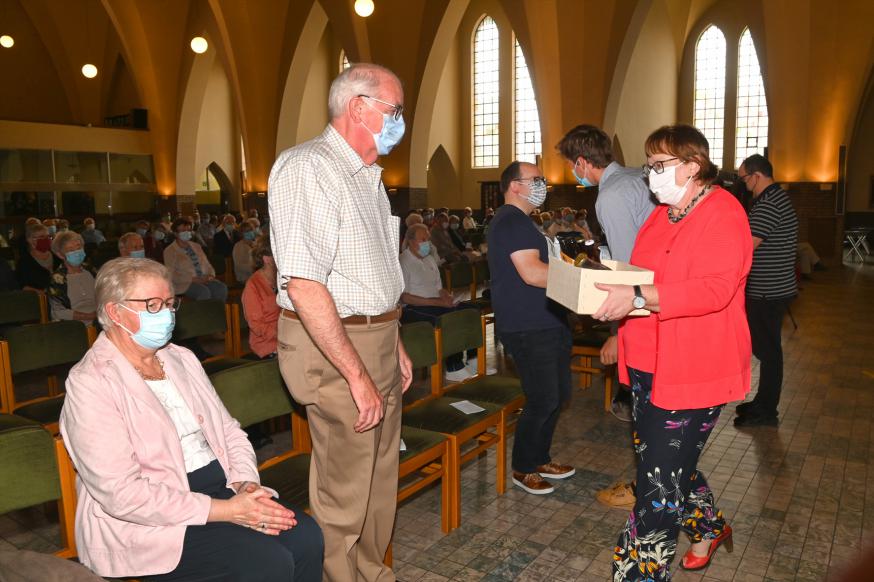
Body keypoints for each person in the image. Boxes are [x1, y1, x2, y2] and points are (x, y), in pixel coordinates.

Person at [59, 258, 323, 581]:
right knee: (268, 562)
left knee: (307, 537)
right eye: (153, 305)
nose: (167, 315)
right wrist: (229, 511)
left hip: (221, 487)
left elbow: (228, 430)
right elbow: (122, 494)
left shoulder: (179, 358)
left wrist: (245, 483)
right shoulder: (91, 382)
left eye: (170, 304)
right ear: (115, 313)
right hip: (150, 521)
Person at [268, 62, 413, 582]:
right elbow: (305, 284)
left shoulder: (368, 177)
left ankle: (371, 571)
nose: (400, 121)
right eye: (394, 110)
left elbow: (367, 272)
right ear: (359, 107)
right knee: (345, 485)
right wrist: (356, 374)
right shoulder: (309, 168)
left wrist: (391, 338)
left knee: (378, 476)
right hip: (332, 345)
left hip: (374, 334)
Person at [594, 125, 751, 579]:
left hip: (694, 365)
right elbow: (638, 275)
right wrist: (604, 294)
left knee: (657, 485)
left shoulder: (724, 211)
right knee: (664, 461)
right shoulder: (663, 214)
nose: (651, 175)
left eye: (659, 165)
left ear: (692, 166)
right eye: (649, 165)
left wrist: (639, 296)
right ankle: (709, 527)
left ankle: (638, 576)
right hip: (647, 360)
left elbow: (714, 289)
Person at [557, 124, 657, 509]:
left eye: (571, 164)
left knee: (648, 410)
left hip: (642, 310)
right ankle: (652, 480)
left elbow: (631, 272)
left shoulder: (610, 194)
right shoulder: (634, 177)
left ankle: (648, 486)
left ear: (582, 161)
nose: (572, 172)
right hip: (654, 301)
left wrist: (620, 332)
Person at [487, 160, 575, 496]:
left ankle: (539, 458)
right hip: (527, 326)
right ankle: (523, 467)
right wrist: (579, 281)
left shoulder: (526, 222)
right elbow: (533, 273)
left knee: (557, 396)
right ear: (515, 186)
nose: (542, 185)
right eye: (536, 179)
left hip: (547, 320)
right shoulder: (510, 221)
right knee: (542, 398)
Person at [734, 154, 798, 428]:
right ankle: (763, 402)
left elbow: (746, 247)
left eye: (743, 178)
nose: (743, 184)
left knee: (769, 353)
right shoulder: (773, 199)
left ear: (756, 175)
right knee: (767, 350)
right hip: (772, 289)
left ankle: (767, 412)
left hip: (767, 293)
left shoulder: (769, 204)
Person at [400, 224, 478, 382]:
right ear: (410, 241)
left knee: (472, 310)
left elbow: (439, 287)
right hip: (413, 308)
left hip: (436, 303)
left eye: (428, 239)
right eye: (423, 239)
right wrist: (437, 302)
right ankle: (453, 367)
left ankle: (472, 358)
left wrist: (446, 297)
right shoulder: (403, 261)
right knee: (449, 318)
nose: (427, 243)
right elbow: (404, 297)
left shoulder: (429, 259)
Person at [163, 218, 228, 302]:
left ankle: (217, 313)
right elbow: (171, 274)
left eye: (189, 230)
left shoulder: (196, 246)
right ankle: (204, 315)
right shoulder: (170, 250)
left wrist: (210, 275)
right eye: (183, 230)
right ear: (176, 233)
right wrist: (192, 279)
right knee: (203, 292)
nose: (187, 232)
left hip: (204, 279)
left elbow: (207, 264)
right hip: (184, 283)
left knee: (221, 288)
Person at [241, 233, 280, 359]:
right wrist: (283, 334)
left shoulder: (282, 278)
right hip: (267, 344)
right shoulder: (253, 286)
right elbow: (257, 325)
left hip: (287, 339)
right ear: (267, 259)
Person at [47, 230, 97, 324]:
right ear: (60, 255)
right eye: (71, 250)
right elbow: (57, 312)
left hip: (100, 322)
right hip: (73, 326)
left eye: (79, 247)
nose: (77, 252)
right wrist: (90, 316)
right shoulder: (58, 279)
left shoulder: (91, 270)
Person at [16, 222, 61, 292]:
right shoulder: (24, 262)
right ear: (30, 240)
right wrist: (43, 294)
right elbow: (23, 286)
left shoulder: (58, 256)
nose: (47, 239)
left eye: (48, 236)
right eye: (42, 237)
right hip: (38, 299)